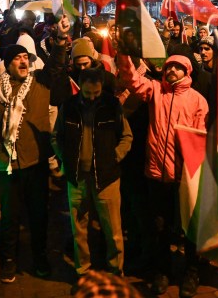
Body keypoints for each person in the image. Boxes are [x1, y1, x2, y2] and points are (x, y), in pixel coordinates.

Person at [117, 50, 208, 297]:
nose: (171, 71)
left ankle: (191, 272)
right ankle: (163, 271)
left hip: (184, 177)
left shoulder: (198, 100)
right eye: (168, 67)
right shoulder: (156, 90)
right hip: (156, 174)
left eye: (177, 67)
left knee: (189, 227)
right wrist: (124, 53)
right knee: (160, 227)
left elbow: (198, 140)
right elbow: (132, 81)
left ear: (187, 71)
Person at [0, 44, 60, 283]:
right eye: (18, 58)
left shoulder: (40, 84)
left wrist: (62, 38)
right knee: (10, 216)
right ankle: (9, 261)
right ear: (8, 63)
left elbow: (56, 65)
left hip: (35, 162)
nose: (24, 62)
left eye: (26, 57)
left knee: (38, 215)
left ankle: (40, 256)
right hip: (8, 164)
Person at [53, 66, 133, 279]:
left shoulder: (112, 105)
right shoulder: (68, 106)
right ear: (81, 88)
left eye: (96, 94)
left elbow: (126, 136)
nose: (91, 98)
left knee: (113, 231)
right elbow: (56, 136)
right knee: (78, 229)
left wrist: (115, 156)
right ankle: (83, 271)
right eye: (87, 94)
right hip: (77, 178)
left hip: (106, 178)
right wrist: (65, 158)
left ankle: (116, 272)